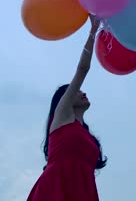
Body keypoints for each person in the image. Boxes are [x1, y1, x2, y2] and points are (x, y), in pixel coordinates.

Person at [27, 15, 107, 201]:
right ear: (65, 100)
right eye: (77, 91)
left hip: (83, 190)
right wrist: (93, 31)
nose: (83, 92)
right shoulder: (62, 117)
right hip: (55, 189)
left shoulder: (87, 135)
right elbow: (82, 70)